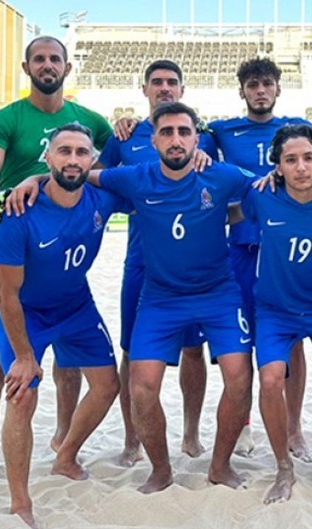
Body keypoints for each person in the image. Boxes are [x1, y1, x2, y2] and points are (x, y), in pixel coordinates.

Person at [7, 102, 256, 494]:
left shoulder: (221, 175)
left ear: (197, 139)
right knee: (140, 385)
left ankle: (220, 466)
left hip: (218, 293)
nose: (176, 139)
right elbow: (76, 174)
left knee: (240, 376)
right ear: (153, 140)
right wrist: (35, 179)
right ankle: (161, 470)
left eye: (184, 132)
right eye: (167, 132)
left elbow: (271, 184)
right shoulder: (135, 177)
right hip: (161, 297)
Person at [0, 35, 112, 479]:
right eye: (39, 59)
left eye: (55, 59)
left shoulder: (90, 121)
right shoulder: (7, 118)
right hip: (13, 244)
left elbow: (107, 164)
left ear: (67, 68)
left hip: (63, 246)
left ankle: (63, 440)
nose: (47, 65)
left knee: (69, 359)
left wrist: (128, 125)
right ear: (26, 67)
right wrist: (1, 200)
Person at [0, 123, 126, 527]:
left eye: (81, 152)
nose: (73, 159)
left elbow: (156, 183)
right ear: (47, 157)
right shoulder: (19, 213)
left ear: (91, 160)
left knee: (107, 386)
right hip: (27, 314)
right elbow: (6, 295)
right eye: (64, 151)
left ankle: (65, 456)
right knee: (21, 396)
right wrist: (24, 356)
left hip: (76, 306)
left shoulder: (103, 199)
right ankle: (20, 504)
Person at [97, 59, 219, 465]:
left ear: (182, 89)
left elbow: (219, 181)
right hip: (141, 262)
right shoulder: (125, 136)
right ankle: (132, 439)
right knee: (132, 352)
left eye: (171, 82)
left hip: (193, 266)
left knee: (193, 351)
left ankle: (191, 433)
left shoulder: (202, 136)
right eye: (157, 82)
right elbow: (96, 180)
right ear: (145, 88)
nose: (164, 88)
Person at [240, 124, 312, 505]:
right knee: (270, 379)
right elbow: (229, 194)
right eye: (290, 160)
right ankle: (283, 468)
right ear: (277, 167)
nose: (301, 167)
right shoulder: (261, 196)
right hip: (275, 309)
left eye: (309, 158)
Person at [209, 58, 311, 458]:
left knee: (294, 342)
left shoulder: (297, 130)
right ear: (242, 91)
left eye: (267, 83)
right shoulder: (221, 131)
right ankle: (245, 424)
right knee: (242, 341)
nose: (260, 90)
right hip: (242, 247)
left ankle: (294, 428)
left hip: (286, 250)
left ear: (278, 89)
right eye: (253, 85)